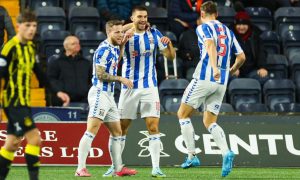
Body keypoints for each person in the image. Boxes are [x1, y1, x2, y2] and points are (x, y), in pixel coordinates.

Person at [103, 6, 176, 178]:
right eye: (139, 17)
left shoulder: (155, 34)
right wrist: (124, 40)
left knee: (153, 127)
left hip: (149, 87)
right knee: (120, 128)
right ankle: (115, 167)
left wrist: (169, 44)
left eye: (145, 16)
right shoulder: (124, 35)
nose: (143, 19)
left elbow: (170, 57)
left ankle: (156, 168)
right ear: (132, 18)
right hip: (129, 88)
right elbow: (117, 60)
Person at [177, 1, 245, 177]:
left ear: (201, 14)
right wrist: (229, 70)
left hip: (205, 76)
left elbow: (210, 46)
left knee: (183, 114)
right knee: (210, 121)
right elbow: (241, 57)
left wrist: (214, 68)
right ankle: (226, 152)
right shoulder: (228, 31)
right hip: (221, 82)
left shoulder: (203, 27)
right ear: (217, 14)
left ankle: (191, 155)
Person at [75, 19, 137, 177]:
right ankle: (80, 168)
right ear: (108, 32)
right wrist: (120, 79)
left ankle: (118, 169)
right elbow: (101, 74)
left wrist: (133, 25)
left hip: (109, 95)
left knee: (117, 132)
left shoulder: (115, 46)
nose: (120, 34)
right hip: (99, 93)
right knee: (92, 129)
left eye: (121, 32)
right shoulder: (103, 49)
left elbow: (118, 58)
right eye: (117, 32)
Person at [0, 9, 47, 180]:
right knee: (35, 139)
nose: (32, 29)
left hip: (23, 103)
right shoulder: (9, 47)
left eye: (34, 26)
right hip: (14, 104)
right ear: (19, 26)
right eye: (28, 25)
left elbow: (39, 73)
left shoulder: (30, 46)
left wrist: (56, 91)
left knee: (11, 144)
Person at [47, 35, 92, 106]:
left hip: (84, 100)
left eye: (78, 43)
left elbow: (91, 80)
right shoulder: (56, 62)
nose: (77, 45)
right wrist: (59, 92)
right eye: (73, 44)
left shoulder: (86, 62)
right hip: (62, 99)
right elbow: (52, 79)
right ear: (66, 47)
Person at [230, 11, 269, 85]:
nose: (241, 27)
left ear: (249, 25)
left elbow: (262, 53)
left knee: (264, 79)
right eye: (239, 24)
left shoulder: (255, 37)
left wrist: (262, 68)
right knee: (230, 79)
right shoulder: (229, 36)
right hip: (234, 69)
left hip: (252, 71)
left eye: (244, 24)